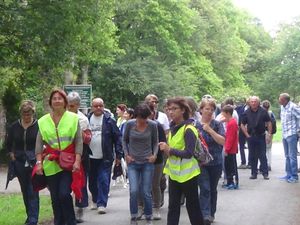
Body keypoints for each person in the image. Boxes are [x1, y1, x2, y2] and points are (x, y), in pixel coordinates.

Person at [35, 89, 83, 225]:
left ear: (65, 102)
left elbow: (78, 141)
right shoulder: (43, 121)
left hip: (68, 163)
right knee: (55, 197)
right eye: (54, 98)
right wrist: (39, 163)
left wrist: (78, 161)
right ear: (51, 102)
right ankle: (59, 222)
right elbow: (38, 143)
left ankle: (71, 221)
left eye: (60, 98)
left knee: (63, 194)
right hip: (50, 163)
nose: (57, 100)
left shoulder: (73, 118)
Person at [159, 97, 204, 225]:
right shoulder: (173, 128)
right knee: (173, 207)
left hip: (189, 175)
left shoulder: (189, 129)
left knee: (193, 207)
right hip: (174, 174)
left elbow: (189, 154)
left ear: (183, 110)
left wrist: (169, 149)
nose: (171, 112)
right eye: (169, 109)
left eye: (174, 109)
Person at [122, 103, 158, 225]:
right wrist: (126, 154)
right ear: (136, 116)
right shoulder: (129, 124)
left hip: (147, 162)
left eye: (144, 118)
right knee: (134, 190)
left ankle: (148, 216)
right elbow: (124, 140)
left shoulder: (153, 125)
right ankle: (133, 216)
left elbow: (155, 141)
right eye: (139, 118)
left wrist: (155, 155)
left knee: (146, 191)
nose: (142, 120)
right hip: (133, 162)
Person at [6, 100, 39, 225]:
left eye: (29, 114)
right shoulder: (14, 126)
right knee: (25, 190)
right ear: (21, 113)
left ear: (33, 113)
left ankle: (33, 219)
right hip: (19, 162)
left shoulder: (38, 125)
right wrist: (12, 155)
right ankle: (29, 216)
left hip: (34, 161)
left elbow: (43, 142)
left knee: (33, 190)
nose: (26, 116)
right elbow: (9, 144)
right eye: (24, 114)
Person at [88, 97, 123, 214]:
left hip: (105, 157)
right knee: (92, 182)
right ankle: (95, 198)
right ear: (92, 107)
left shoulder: (109, 120)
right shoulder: (86, 119)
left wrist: (119, 155)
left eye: (100, 106)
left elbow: (118, 138)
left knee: (103, 180)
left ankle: (102, 203)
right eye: (96, 106)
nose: (98, 108)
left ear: (103, 106)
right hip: (90, 157)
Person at [197, 98, 225, 225]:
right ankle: (205, 214)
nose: (209, 112)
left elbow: (222, 141)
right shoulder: (194, 125)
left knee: (212, 189)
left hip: (216, 162)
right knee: (205, 188)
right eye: (207, 109)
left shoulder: (217, 124)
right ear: (201, 110)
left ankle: (211, 213)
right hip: (201, 163)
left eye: (212, 109)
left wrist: (209, 130)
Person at [67, 91, 92, 223]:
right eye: (68, 105)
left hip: (80, 155)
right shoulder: (62, 117)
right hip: (65, 155)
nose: (69, 108)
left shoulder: (82, 119)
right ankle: (67, 210)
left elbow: (85, 139)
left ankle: (80, 208)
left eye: (72, 106)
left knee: (80, 181)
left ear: (77, 105)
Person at [241, 96, 272, 180]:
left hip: (261, 136)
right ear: (249, 103)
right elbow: (242, 124)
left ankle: (265, 173)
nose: (253, 103)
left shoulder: (263, 111)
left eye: (255, 101)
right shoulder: (246, 112)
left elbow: (269, 122)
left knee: (262, 155)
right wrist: (246, 134)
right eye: (252, 101)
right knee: (252, 156)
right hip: (251, 137)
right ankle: (253, 173)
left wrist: (269, 134)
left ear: (258, 102)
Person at [279, 93, 300, 183]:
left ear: (285, 100)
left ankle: (294, 176)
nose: (279, 100)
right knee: (287, 156)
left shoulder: (293, 107)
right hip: (284, 134)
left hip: (292, 134)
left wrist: (298, 130)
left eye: (280, 99)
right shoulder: (282, 107)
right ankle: (288, 174)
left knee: (292, 156)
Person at [221, 105, 239, 189]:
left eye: (223, 113)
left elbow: (230, 138)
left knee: (230, 166)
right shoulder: (231, 122)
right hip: (231, 149)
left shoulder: (231, 123)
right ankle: (229, 182)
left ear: (227, 113)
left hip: (230, 149)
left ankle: (231, 182)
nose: (222, 115)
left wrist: (226, 149)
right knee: (228, 166)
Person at [261, 100, 276, 171]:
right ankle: (269, 164)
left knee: (263, 149)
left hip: (264, 132)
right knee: (269, 149)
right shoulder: (271, 113)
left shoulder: (261, 113)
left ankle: (264, 165)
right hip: (270, 132)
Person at [235, 98, 249, 169]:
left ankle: (250, 163)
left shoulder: (255, 110)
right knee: (241, 146)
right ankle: (243, 162)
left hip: (250, 130)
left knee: (251, 147)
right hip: (241, 129)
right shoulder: (240, 108)